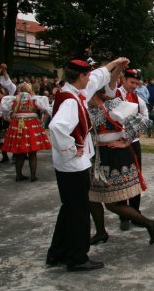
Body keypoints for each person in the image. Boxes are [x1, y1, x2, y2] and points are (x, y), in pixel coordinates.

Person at [46, 57, 128, 272]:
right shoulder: (71, 100)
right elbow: (56, 128)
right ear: (80, 77)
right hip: (73, 165)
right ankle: (77, 257)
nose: (91, 79)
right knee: (79, 212)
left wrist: (114, 64)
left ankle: (58, 252)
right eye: (87, 76)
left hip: (70, 165)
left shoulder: (73, 93)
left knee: (69, 209)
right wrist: (72, 149)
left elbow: (97, 77)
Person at [87, 88, 154, 245]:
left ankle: (148, 223)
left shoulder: (113, 105)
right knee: (94, 197)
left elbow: (142, 123)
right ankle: (101, 232)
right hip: (100, 155)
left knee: (109, 202)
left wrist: (125, 142)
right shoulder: (90, 108)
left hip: (113, 155)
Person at [106, 68, 149, 231]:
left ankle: (135, 213)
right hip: (116, 143)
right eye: (132, 82)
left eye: (137, 84)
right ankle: (124, 216)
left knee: (136, 177)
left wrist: (135, 131)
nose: (134, 86)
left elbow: (145, 118)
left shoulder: (139, 99)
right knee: (121, 178)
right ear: (123, 79)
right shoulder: (113, 94)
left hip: (132, 142)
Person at [0, 82, 52, 182]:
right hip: (32, 125)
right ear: (29, 89)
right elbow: (46, 110)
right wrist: (42, 120)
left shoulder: (14, 99)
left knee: (20, 153)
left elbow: (4, 111)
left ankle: (18, 175)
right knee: (33, 153)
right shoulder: (34, 99)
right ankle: (33, 176)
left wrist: (11, 119)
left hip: (17, 125)